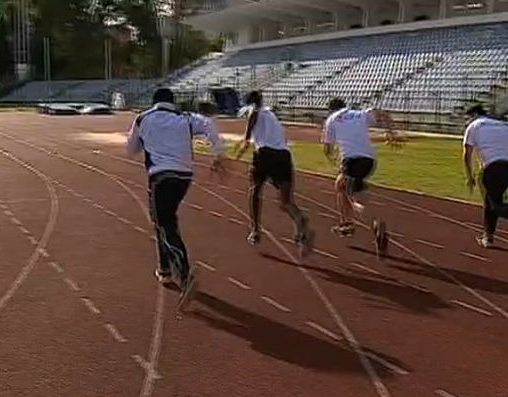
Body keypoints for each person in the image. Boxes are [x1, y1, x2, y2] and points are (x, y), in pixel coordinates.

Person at [125, 87, 225, 312]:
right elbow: (209, 124)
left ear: (154, 102)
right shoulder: (185, 118)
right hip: (184, 177)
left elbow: (130, 150)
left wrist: (145, 142)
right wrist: (218, 153)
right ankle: (164, 269)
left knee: (164, 223)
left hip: (161, 176)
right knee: (164, 220)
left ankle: (185, 274)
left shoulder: (143, 119)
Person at [234, 90, 315, 259]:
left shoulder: (254, 111)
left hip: (264, 154)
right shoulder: (271, 114)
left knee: (255, 190)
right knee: (285, 201)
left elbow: (251, 125)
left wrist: (243, 145)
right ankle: (299, 219)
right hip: (284, 156)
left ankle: (255, 230)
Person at [321, 97, 400, 258]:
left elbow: (327, 148)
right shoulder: (360, 114)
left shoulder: (331, 120)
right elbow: (382, 113)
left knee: (356, 200)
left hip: (352, 161)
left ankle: (376, 224)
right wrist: (390, 133)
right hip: (369, 160)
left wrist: (332, 158)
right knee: (340, 184)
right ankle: (346, 224)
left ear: (331, 110)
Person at [462, 104, 508, 248]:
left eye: (467, 118)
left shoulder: (474, 126)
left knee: (495, 204)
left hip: (492, 167)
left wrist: (470, 177)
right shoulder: (503, 125)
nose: (466, 122)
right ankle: (488, 238)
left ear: (474, 115)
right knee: (491, 202)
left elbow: (467, 154)